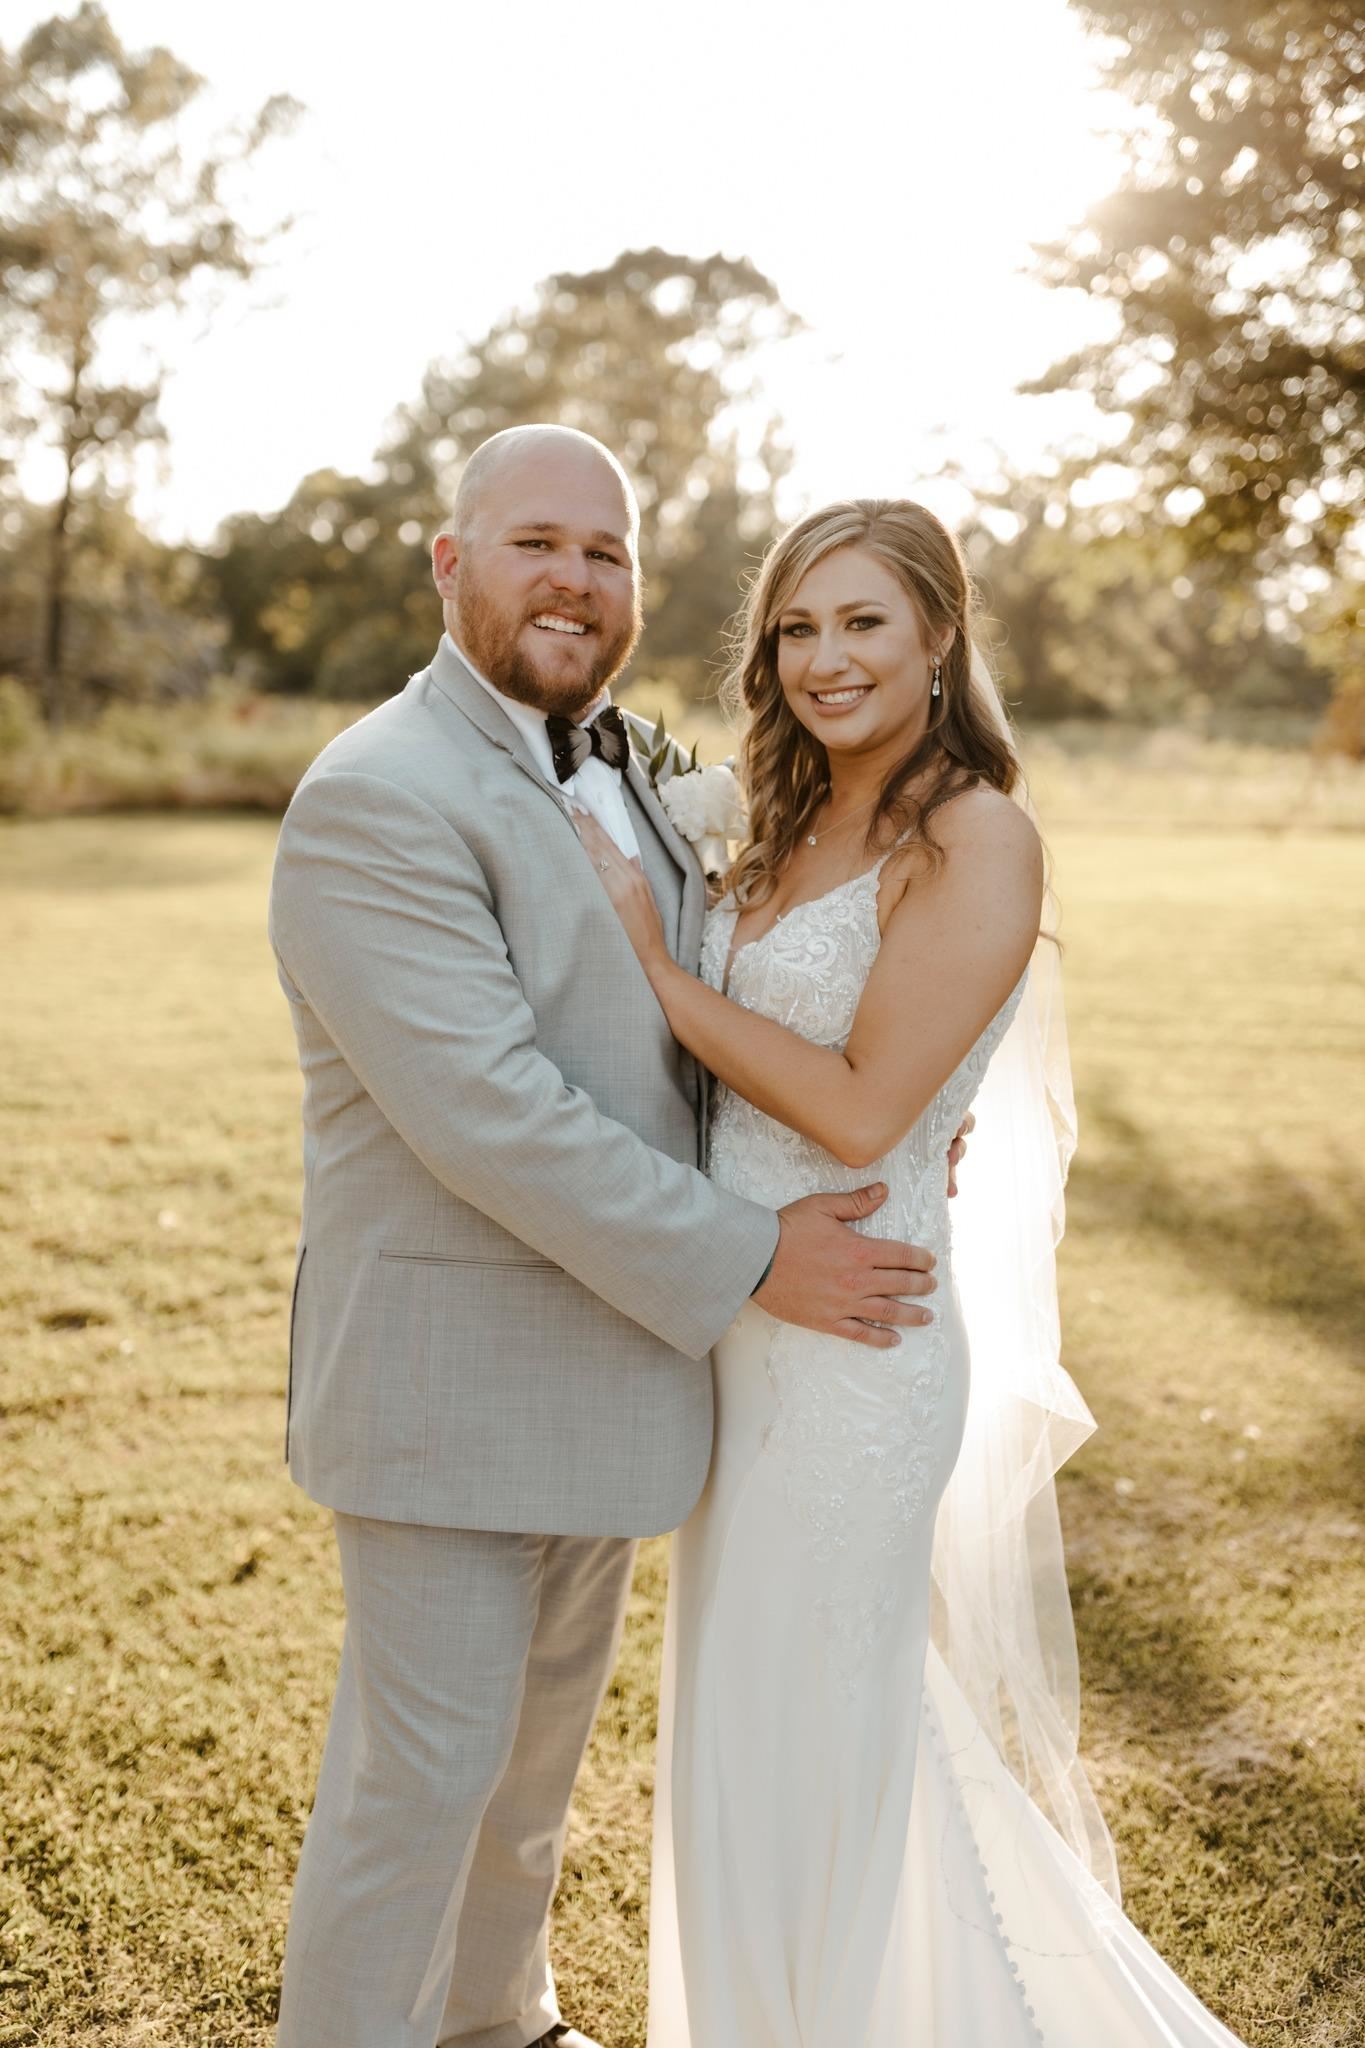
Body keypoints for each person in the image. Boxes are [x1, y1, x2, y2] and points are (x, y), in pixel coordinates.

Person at [266, 429, 962, 2048]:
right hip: (449, 1383)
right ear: (450, 563)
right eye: (536, 544)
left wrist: (897, 1108)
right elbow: (490, 1116)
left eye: (606, 552)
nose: (574, 581)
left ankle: (497, 2022)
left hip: (610, 1354)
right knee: (418, 1784)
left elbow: (703, 998)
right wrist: (754, 1252)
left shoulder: (628, 761)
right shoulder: (379, 795)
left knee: (527, 1771)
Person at [579, 497, 1249, 2046]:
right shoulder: (784, 819)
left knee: (825, 1728)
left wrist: (658, 971)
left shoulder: (976, 834)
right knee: (745, 1723)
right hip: (744, 1325)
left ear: (939, 634)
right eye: (795, 629)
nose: (824, 659)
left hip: (856, 1350)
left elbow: (866, 1106)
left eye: (862, 621)